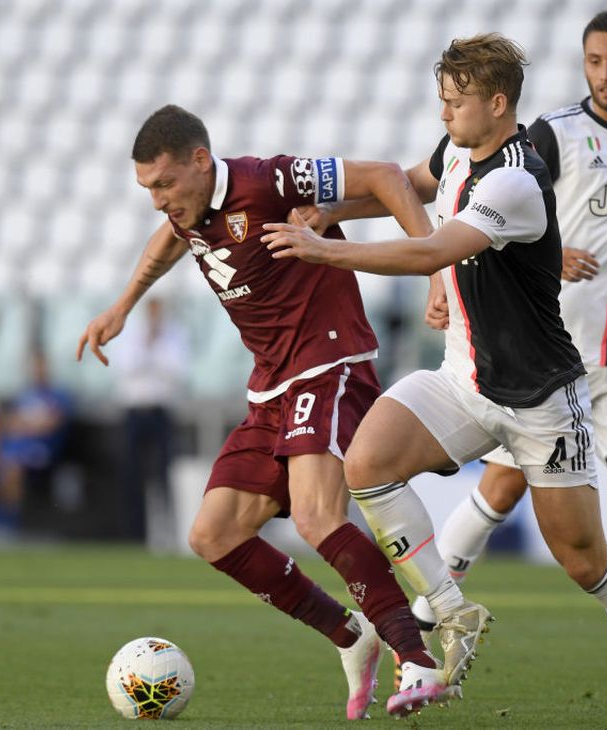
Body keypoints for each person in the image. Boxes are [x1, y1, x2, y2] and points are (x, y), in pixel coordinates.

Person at [264, 32, 607, 725]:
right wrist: (334, 213)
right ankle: (451, 611)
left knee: (584, 560)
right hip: (465, 381)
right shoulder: (461, 152)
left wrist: (326, 253)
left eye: (455, 104)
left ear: (497, 104)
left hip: (541, 401)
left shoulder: (516, 182)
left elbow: (436, 247)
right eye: (441, 101)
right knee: (368, 463)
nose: (444, 116)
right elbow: (408, 185)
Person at [76, 105, 456, 719]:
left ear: (202, 162)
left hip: (329, 362)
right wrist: (123, 306)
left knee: (314, 515)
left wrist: (435, 268)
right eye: (148, 189)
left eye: (165, 184)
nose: (157, 200)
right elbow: (167, 242)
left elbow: (387, 176)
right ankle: (351, 636)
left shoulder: (268, 181)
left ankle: (416, 658)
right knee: (212, 534)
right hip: (270, 386)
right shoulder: (188, 213)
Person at [385, 11, 607, 713]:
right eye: (595, 60)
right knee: (493, 493)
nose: (606, 73)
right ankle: (441, 613)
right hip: (532, 348)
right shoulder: (552, 134)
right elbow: (507, 216)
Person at [110, 296, 190, 542]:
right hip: (134, 410)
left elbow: (179, 371)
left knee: (164, 473)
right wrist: (149, 349)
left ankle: (167, 534)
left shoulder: (176, 333)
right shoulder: (130, 331)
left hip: (160, 411)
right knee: (132, 475)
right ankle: (134, 534)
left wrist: (151, 357)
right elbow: (125, 366)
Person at [0, 349, 75, 520]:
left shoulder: (59, 394)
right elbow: (9, 422)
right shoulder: (25, 394)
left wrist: (25, 424)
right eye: (35, 366)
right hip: (14, 447)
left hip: (42, 449)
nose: (38, 370)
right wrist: (29, 423)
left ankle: (11, 521)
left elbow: (52, 424)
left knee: (13, 468)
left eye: (41, 366)